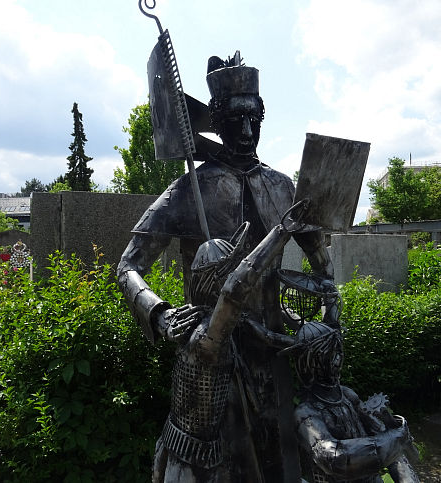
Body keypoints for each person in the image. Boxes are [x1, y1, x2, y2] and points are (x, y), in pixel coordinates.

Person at [117, 52, 336, 482]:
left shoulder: (281, 186)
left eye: (255, 117)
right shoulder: (190, 187)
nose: (248, 130)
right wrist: (159, 315)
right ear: (216, 121)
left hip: (276, 352)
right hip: (216, 357)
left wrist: (331, 308)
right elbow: (128, 266)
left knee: (282, 463)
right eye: (235, 119)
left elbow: (321, 260)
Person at [153, 202, 308, 482]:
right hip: (194, 462)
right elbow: (236, 288)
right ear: (216, 283)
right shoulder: (206, 336)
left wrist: (301, 341)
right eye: (228, 271)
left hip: (176, 442)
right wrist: (281, 232)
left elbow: (267, 335)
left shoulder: (195, 319)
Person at [279, 322, 419, 483]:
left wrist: (407, 478)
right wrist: (396, 438)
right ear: (309, 361)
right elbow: (334, 458)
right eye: (328, 355)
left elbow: (385, 438)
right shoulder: (306, 413)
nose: (337, 359)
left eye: (338, 351)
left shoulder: (347, 395)